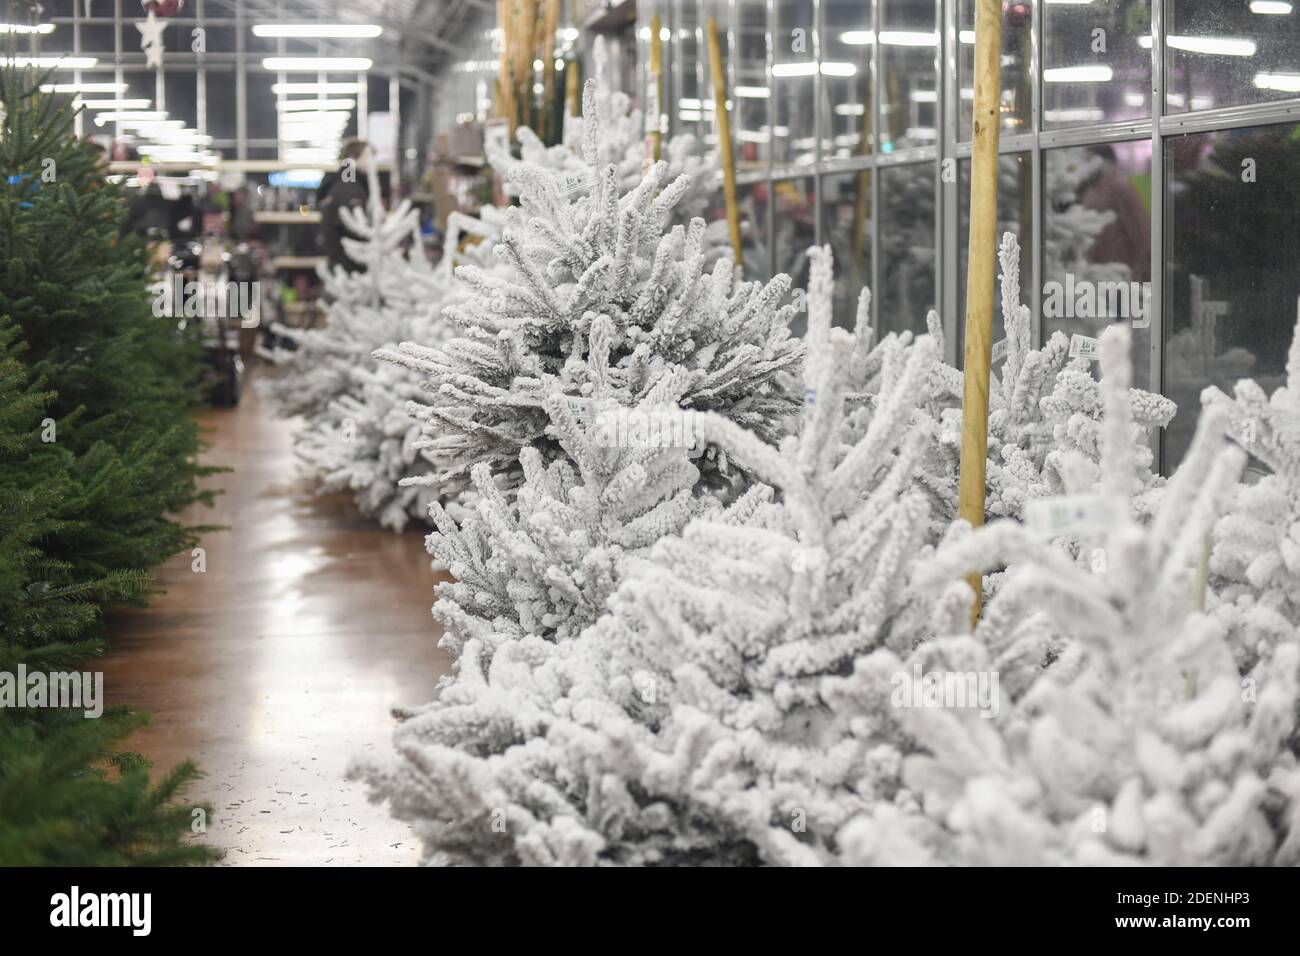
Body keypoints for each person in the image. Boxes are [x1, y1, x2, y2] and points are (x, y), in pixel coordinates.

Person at [318, 138, 372, 273]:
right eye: (368, 156)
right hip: (351, 269)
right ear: (353, 158)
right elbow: (355, 229)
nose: (372, 162)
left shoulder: (339, 184)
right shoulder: (350, 188)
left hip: (339, 266)